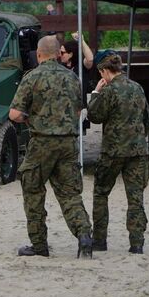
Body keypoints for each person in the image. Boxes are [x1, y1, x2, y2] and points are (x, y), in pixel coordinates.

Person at [9, 35, 93, 258]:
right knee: (69, 194)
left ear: (38, 54)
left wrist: (30, 118)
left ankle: (39, 245)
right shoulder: (72, 78)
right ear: (58, 54)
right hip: (68, 142)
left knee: (34, 191)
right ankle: (84, 235)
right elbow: (78, 112)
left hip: (41, 143)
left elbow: (15, 114)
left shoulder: (32, 77)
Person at [87, 53, 149, 254]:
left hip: (113, 151)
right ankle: (137, 243)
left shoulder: (109, 90)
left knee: (101, 193)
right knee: (135, 198)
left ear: (105, 71)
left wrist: (96, 92)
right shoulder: (137, 88)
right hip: (137, 151)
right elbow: (147, 120)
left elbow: (94, 115)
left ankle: (99, 240)